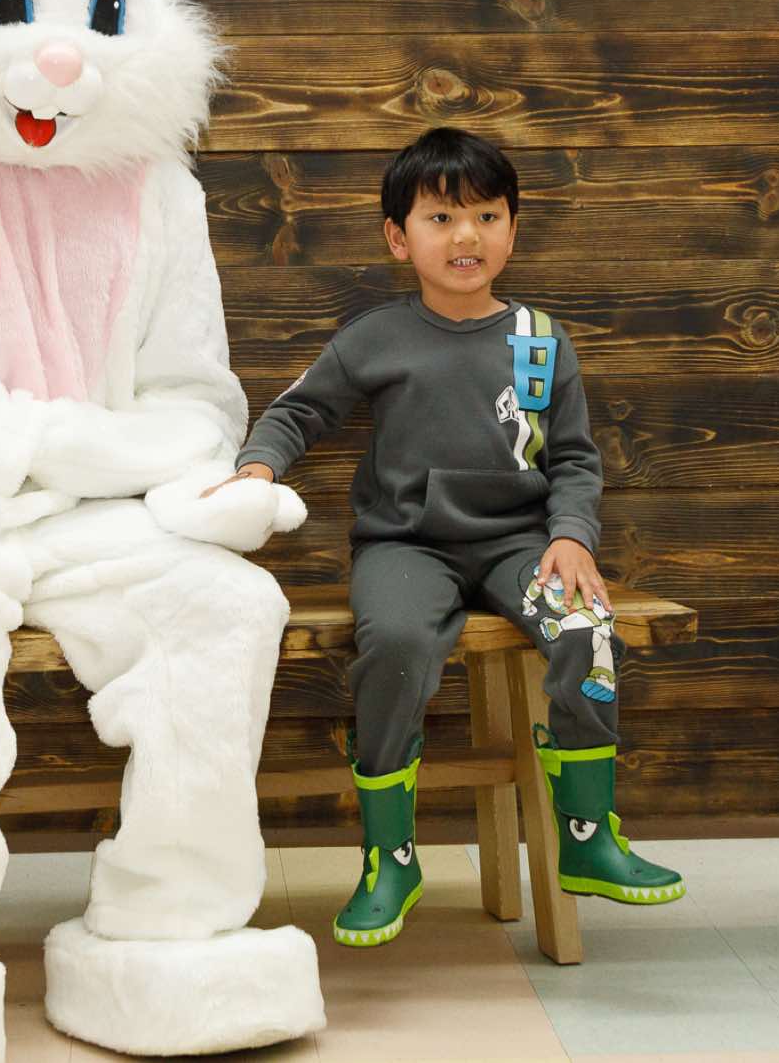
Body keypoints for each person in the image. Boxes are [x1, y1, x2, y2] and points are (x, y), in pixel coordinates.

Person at [206, 126, 685, 949]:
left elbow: (575, 458)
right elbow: (297, 410)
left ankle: (586, 836)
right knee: (393, 643)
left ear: (513, 229)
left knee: (585, 625)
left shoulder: (541, 339)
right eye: (441, 217)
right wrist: (258, 466)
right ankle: (389, 857)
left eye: (487, 216)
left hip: (521, 545)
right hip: (405, 547)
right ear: (399, 238)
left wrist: (572, 535)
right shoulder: (375, 337)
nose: (467, 235)